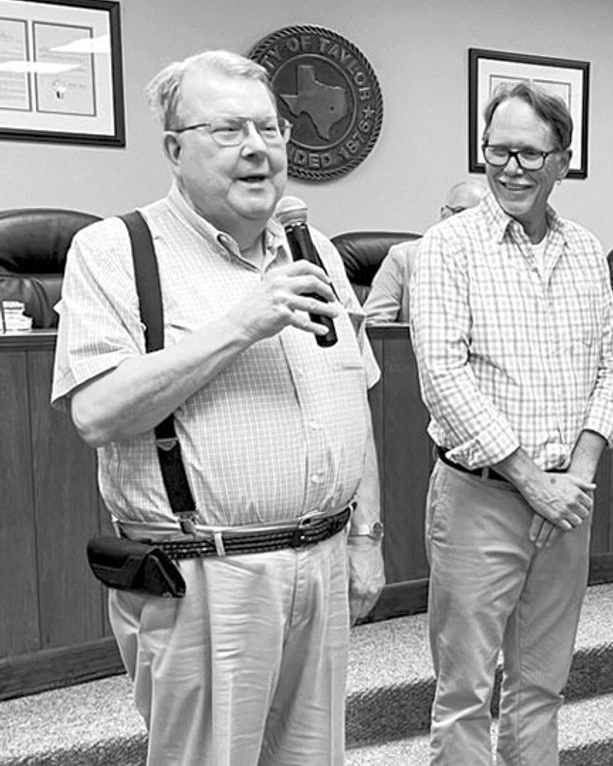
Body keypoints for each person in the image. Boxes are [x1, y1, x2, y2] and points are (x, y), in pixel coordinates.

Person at [50, 50, 386, 766]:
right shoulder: (115, 250)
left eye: (270, 129)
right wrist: (241, 322)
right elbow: (98, 413)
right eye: (230, 131)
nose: (259, 149)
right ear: (175, 149)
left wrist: (366, 537)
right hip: (206, 577)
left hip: (323, 564)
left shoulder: (314, 248)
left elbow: (352, 393)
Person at [409, 81, 613, 765]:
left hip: (568, 502)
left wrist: (578, 476)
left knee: (541, 685)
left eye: (531, 153)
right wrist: (533, 480)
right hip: (481, 497)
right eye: (498, 150)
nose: (512, 167)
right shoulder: (447, 247)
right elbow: (443, 379)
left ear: (563, 160)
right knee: (466, 691)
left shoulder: (588, 249)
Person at [362, 178, 487, 324]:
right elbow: (374, 324)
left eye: (478, 217)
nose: (467, 223)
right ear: (444, 213)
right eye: (460, 212)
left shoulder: (494, 262)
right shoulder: (402, 258)